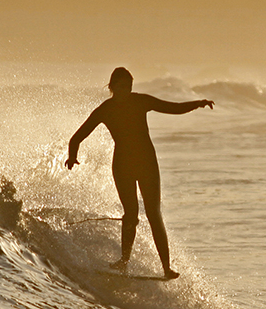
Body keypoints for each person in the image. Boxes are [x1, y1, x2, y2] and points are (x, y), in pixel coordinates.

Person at [66, 67, 213, 280]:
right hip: (123, 165)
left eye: (129, 87)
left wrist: (197, 103)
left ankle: (166, 268)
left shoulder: (140, 101)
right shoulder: (104, 110)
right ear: (112, 86)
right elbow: (77, 137)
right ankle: (123, 262)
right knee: (131, 214)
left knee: (154, 214)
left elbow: (172, 108)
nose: (125, 91)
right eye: (121, 87)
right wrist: (72, 156)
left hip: (147, 164)